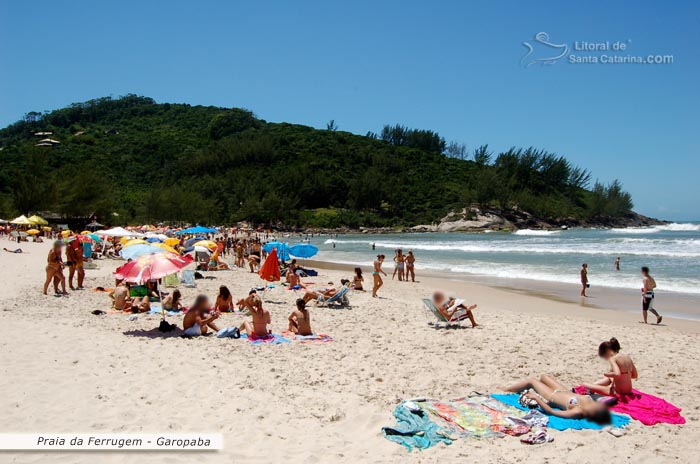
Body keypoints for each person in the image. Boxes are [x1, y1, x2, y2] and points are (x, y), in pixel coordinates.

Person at [503, 374, 612, 425]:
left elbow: (552, 412)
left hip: (552, 396)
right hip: (563, 390)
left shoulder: (578, 411)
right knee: (543, 377)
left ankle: (507, 389)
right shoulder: (590, 402)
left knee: (531, 381)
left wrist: (536, 398)